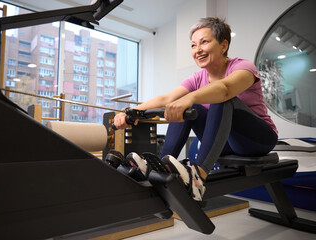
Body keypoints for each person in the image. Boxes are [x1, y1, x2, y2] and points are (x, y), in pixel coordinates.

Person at [113, 17, 278, 201]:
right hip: (225, 144)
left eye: (204, 42)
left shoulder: (243, 67)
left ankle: (198, 178)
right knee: (190, 106)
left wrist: (189, 98)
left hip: (257, 140)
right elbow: (167, 98)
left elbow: (225, 90)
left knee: (221, 99)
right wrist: (130, 112)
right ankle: (158, 168)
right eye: (193, 45)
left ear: (223, 46)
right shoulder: (198, 78)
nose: (197, 50)